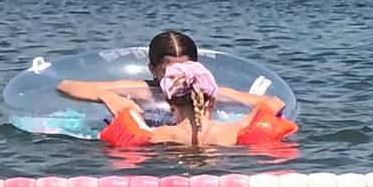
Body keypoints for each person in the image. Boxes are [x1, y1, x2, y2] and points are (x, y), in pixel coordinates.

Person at [56, 30, 270, 120]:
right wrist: (107, 97)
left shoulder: (206, 94)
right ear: (152, 68)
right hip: (149, 152)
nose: (178, 77)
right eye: (169, 71)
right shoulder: (143, 91)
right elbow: (65, 86)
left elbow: (270, 103)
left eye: (185, 68)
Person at [95, 61, 296, 147]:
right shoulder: (232, 132)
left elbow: (130, 129)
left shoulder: (159, 135)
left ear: (169, 102)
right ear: (212, 100)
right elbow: (276, 104)